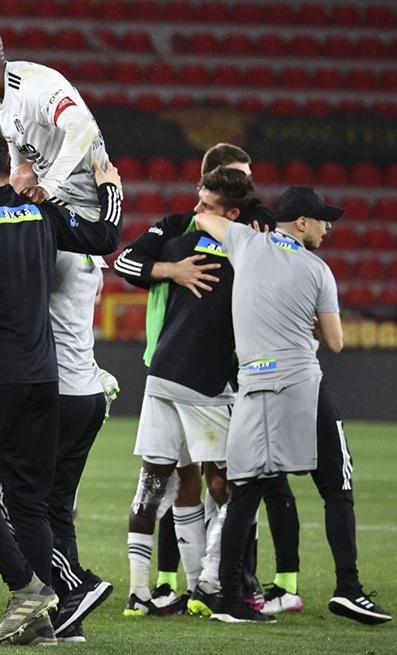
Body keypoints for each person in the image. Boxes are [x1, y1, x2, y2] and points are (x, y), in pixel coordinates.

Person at [0, 20, 119, 642]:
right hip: (52, 233)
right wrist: (20, 192)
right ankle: (57, 608)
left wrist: (44, 190)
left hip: (65, 220)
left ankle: (51, 589)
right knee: (28, 498)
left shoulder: (40, 85)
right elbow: (19, 163)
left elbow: (83, 131)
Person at [196, 186, 391, 625]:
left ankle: (229, 598)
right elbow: (336, 342)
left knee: (246, 490)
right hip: (300, 383)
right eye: (322, 218)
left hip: (252, 384)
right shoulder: (317, 269)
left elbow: (203, 218)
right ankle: (348, 588)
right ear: (301, 223)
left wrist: (248, 227)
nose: (328, 225)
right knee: (336, 483)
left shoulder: (246, 244)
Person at [114, 164, 268, 616]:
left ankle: (140, 594)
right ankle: (212, 584)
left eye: (206, 206)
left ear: (232, 212)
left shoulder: (180, 241)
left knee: (156, 482)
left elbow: (130, 262)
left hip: (162, 373)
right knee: (229, 486)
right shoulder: (251, 254)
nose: (196, 211)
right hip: (205, 380)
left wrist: (167, 269)